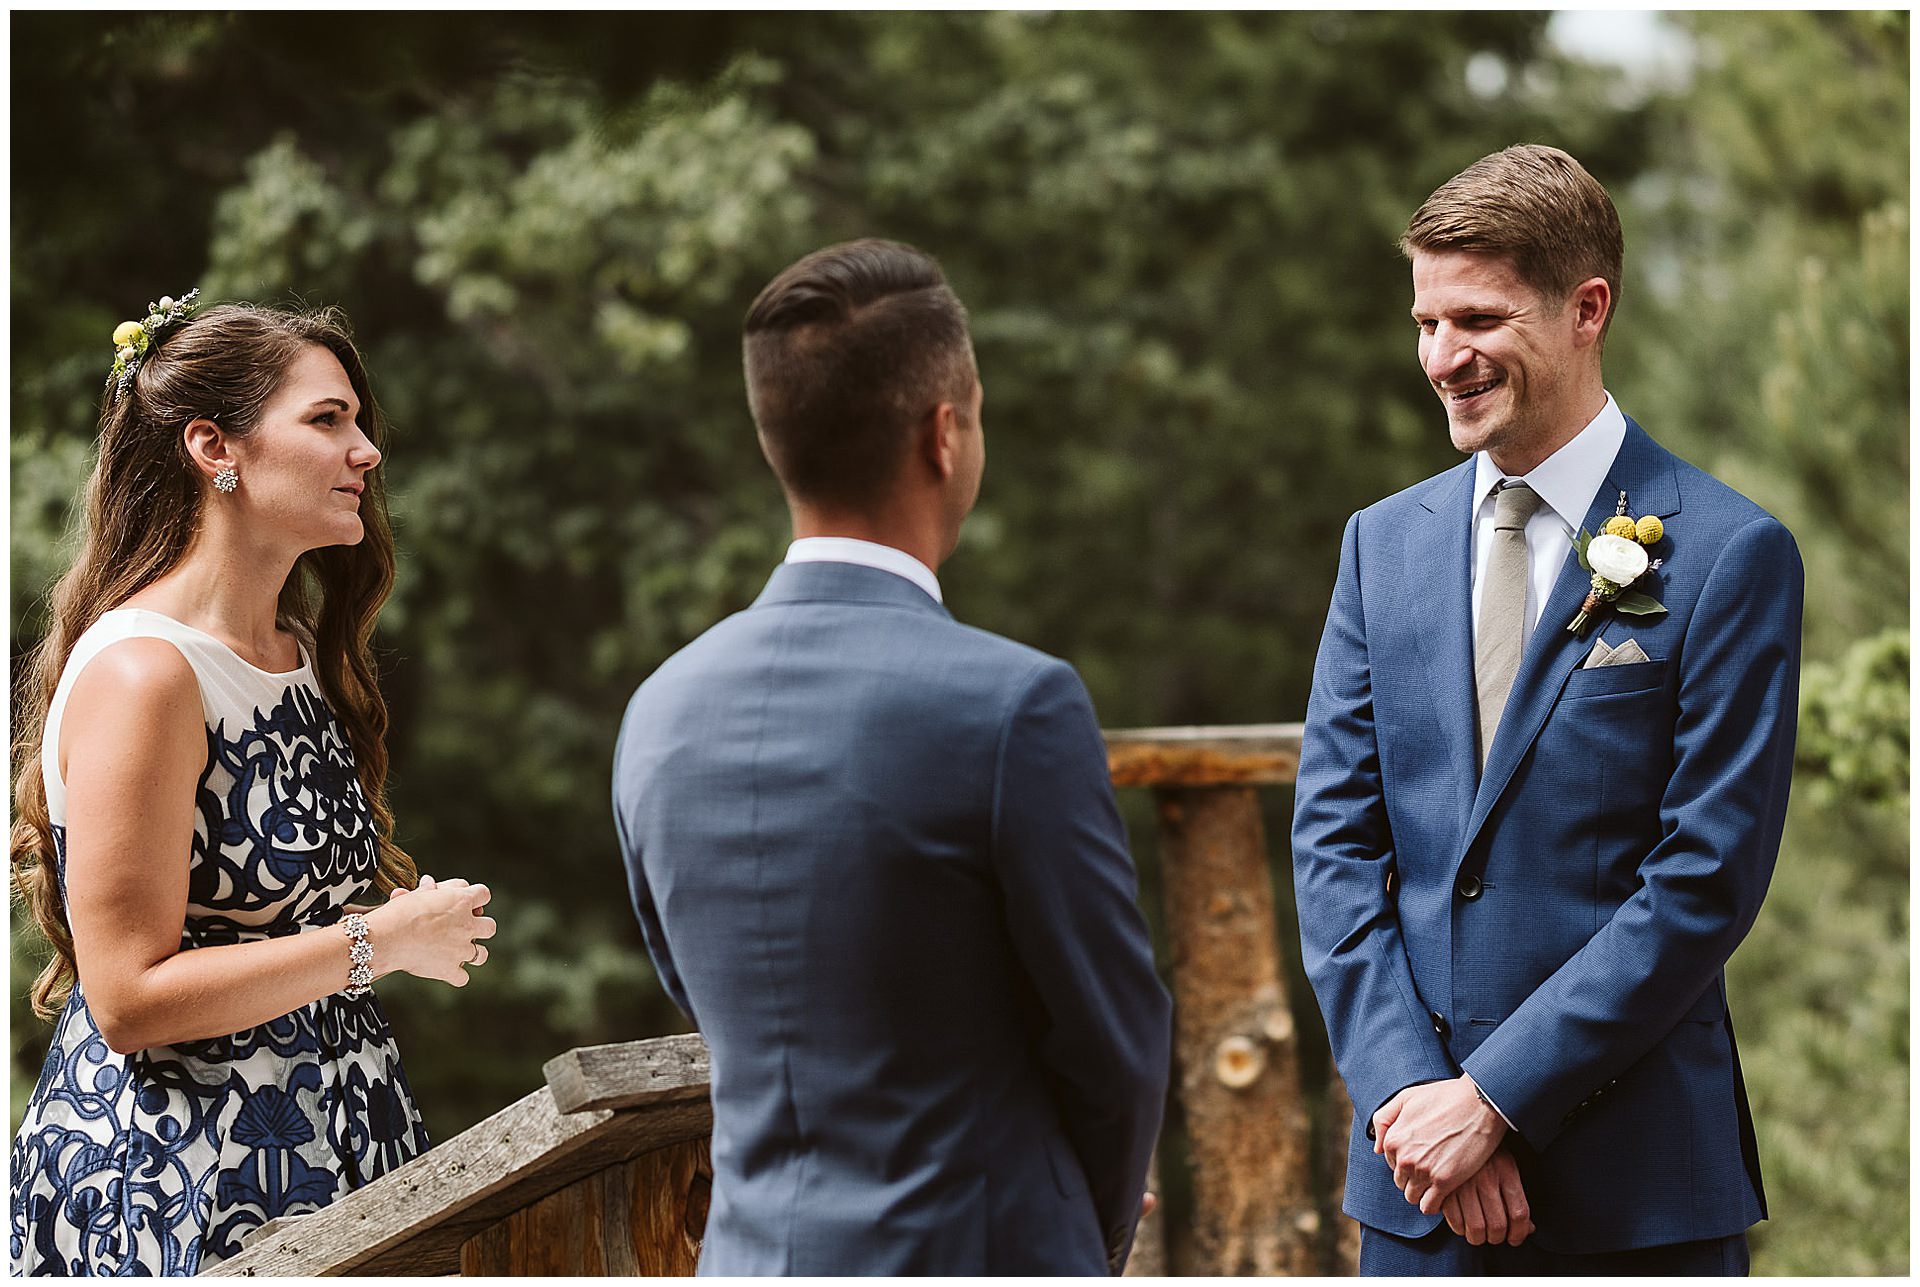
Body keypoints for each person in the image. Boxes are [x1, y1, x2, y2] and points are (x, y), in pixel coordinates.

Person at [611, 239, 1171, 1274]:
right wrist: (1075, 1234)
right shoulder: (1015, 704)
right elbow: (1116, 1042)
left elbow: (706, 998)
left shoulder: (659, 710)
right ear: (945, 434)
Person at [1292, 145, 1801, 1275]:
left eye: (1476, 318)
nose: (1441, 358)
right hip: (1416, 1182)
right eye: (1425, 322)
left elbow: (1705, 878)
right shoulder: (1380, 546)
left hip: (1638, 1192)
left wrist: (1497, 1101)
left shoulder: (1729, 554)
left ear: (1586, 309)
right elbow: (1332, 848)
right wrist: (1419, 1101)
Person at [9, 295, 498, 1276]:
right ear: (213, 447)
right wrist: (381, 941)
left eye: (358, 422)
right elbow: (127, 998)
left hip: (343, 1158)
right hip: (178, 1183)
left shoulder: (299, 652)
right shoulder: (145, 675)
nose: (365, 451)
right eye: (328, 420)